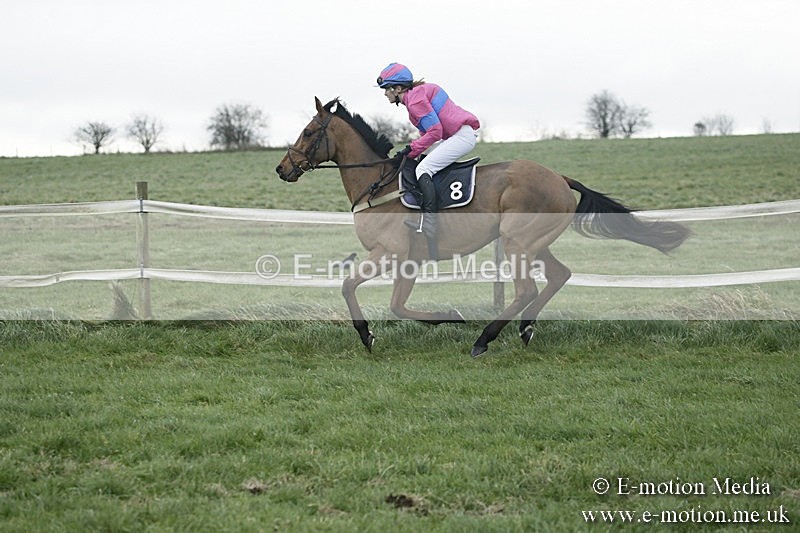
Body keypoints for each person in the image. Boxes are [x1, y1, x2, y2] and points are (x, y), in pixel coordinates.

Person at [376, 63, 480, 246]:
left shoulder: (415, 100)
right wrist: (409, 153)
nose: (385, 94)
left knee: (424, 168)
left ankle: (431, 223)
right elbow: (427, 135)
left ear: (398, 88)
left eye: (386, 89)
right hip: (453, 135)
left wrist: (411, 148)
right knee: (419, 162)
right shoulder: (414, 99)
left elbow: (435, 132)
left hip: (460, 136)